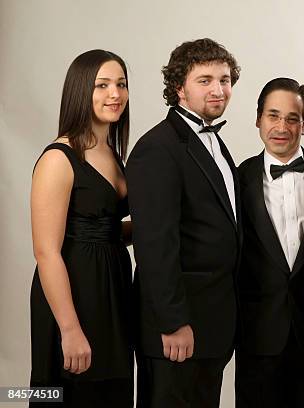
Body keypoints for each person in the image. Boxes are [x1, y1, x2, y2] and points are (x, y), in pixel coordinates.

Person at [126, 38, 241, 408]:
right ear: (179, 87)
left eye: (224, 80)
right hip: (177, 329)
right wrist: (173, 323)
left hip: (213, 324)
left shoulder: (214, 142)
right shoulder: (157, 148)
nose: (218, 89)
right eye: (204, 80)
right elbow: (155, 244)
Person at [30, 49, 133, 407]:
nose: (115, 94)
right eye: (101, 85)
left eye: (121, 84)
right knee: (73, 395)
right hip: (74, 296)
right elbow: (46, 251)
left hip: (113, 292)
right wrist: (70, 329)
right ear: (80, 91)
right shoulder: (59, 158)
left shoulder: (112, 152)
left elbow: (103, 230)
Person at [235, 77, 304, 408]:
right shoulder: (236, 179)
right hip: (258, 335)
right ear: (258, 119)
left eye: (292, 118)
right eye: (273, 116)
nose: (281, 127)